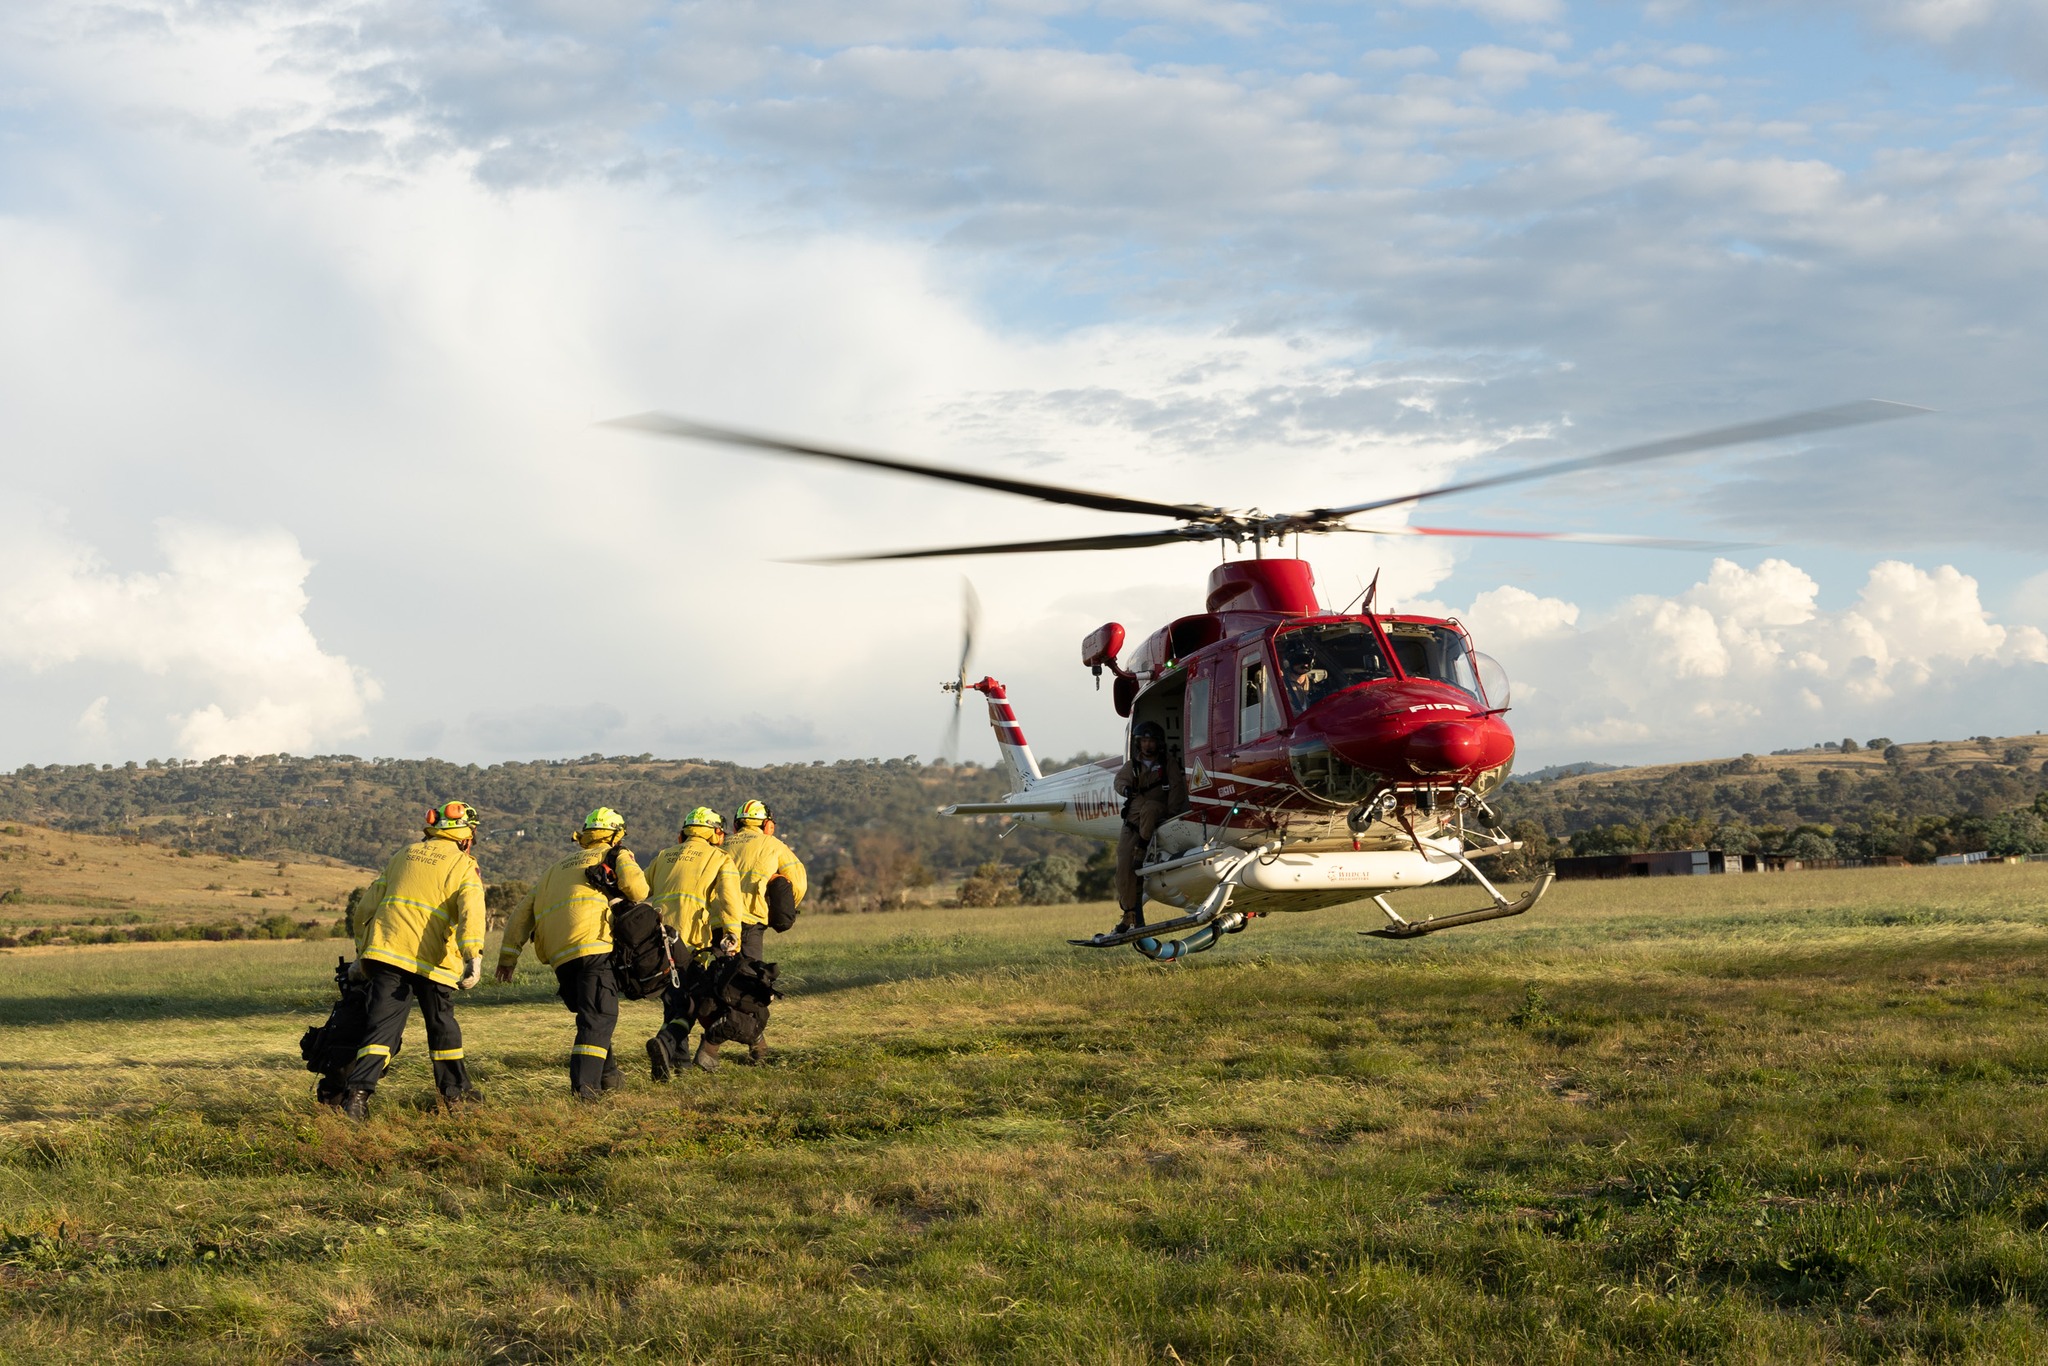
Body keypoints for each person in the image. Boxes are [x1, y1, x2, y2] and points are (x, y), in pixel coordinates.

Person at [330, 801, 487, 1120]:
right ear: (466, 836)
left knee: (381, 1029)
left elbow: (364, 910)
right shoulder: (462, 864)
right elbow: (472, 911)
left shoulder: (404, 855)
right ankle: (456, 1099)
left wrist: (362, 956)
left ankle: (357, 1098)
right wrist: (474, 957)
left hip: (387, 954)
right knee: (442, 1027)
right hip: (433, 961)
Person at [496, 807, 649, 1098]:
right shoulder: (615, 854)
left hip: (559, 957)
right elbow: (638, 891)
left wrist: (508, 957)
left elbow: (521, 914)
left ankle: (609, 1076)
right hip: (593, 945)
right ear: (615, 835)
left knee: (592, 1015)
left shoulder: (555, 868)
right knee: (600, 1015)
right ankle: (585, 1090)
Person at [641, 806, 742, 1080]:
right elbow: (731, 901)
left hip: (656, 937)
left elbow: (639, 889)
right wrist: (733, 935)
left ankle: (678, 1064)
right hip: (689, 940)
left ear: (683, 834)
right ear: (714, 833)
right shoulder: (719, 858)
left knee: (675, 999)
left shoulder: (663, 856)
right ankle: (665, 1041)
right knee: (689, 1004)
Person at [721, 798, 806, 1063]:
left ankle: (751, 1043)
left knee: (716, 981)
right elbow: (798, 882)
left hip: (715, 923)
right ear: (767, 825)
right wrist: (779, 909)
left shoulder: (721, 845)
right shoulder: (774, 845)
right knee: (751, 984)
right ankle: (754, 1047)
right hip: (749, 923)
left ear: (736, 826)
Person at [1108, 721, 1185, 938]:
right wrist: (1126, 788)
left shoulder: (1167, 764)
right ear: (1138, 743)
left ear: (1158, 743)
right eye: (1143, 741)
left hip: (1158, 813)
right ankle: (1129, 913)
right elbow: (1119, 781)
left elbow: (1177, 789)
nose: (1147, 745)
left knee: (1150, 808)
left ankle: (1142, 849)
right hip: (1132, 822)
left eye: (1150, 740)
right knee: (1123, 866)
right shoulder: (1132, 766)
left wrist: (1172, 814)